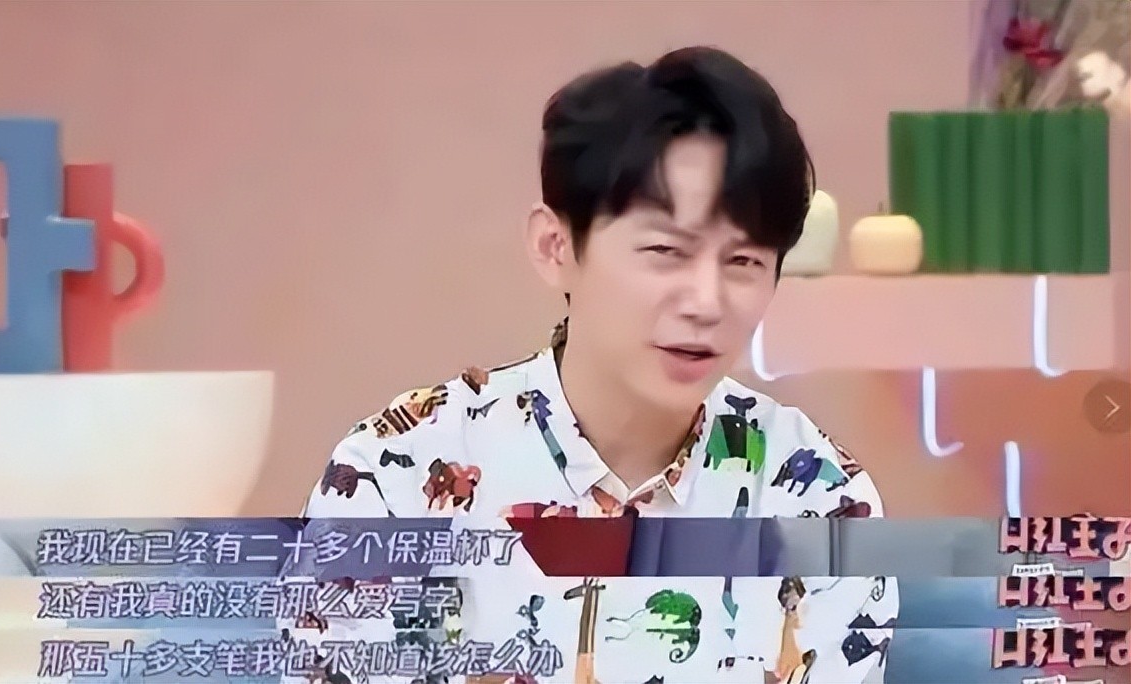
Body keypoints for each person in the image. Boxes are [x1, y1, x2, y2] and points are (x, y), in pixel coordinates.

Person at [291, 46, 897, 684]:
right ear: (556, 247)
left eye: (743, 262)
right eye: (666, 250)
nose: (706, 302)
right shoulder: (395, 476)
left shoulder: (821, 499)